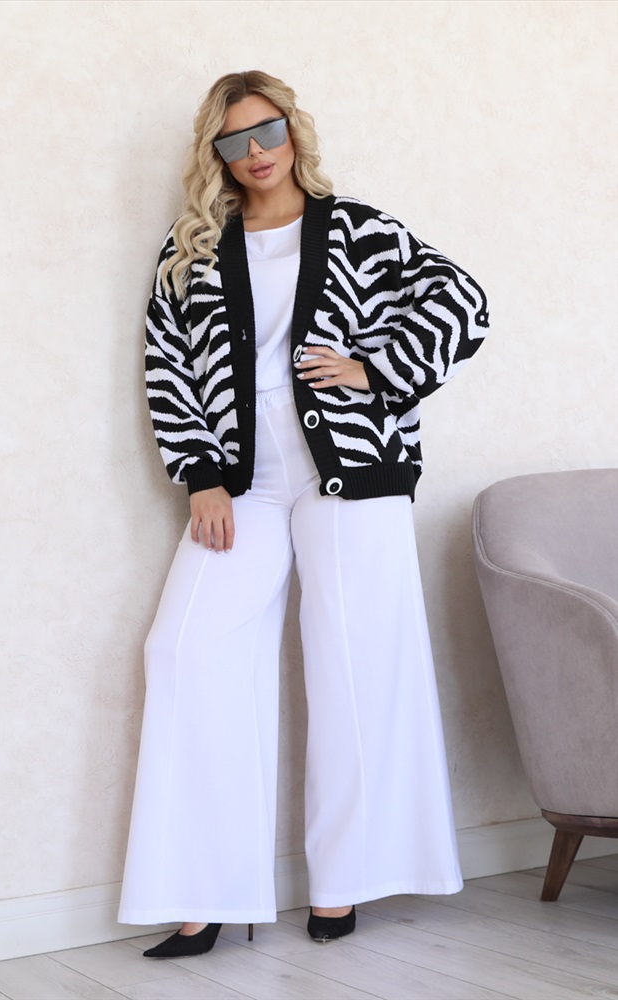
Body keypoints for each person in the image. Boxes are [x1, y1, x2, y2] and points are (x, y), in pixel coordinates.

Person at [118, 70, 489, 959]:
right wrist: (200, 475)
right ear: (215, 152)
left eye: (267, 131)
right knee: (184, 650)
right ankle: (206, 892)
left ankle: (342, 884)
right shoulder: (192, 247)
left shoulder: (357, 228)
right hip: (242, 484)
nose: (255, 152)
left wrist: (375, 370)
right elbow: (166, 361)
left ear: (292, 131)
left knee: (355, 670)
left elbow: (463, 302)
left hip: (351, 474)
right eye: (234, 140)